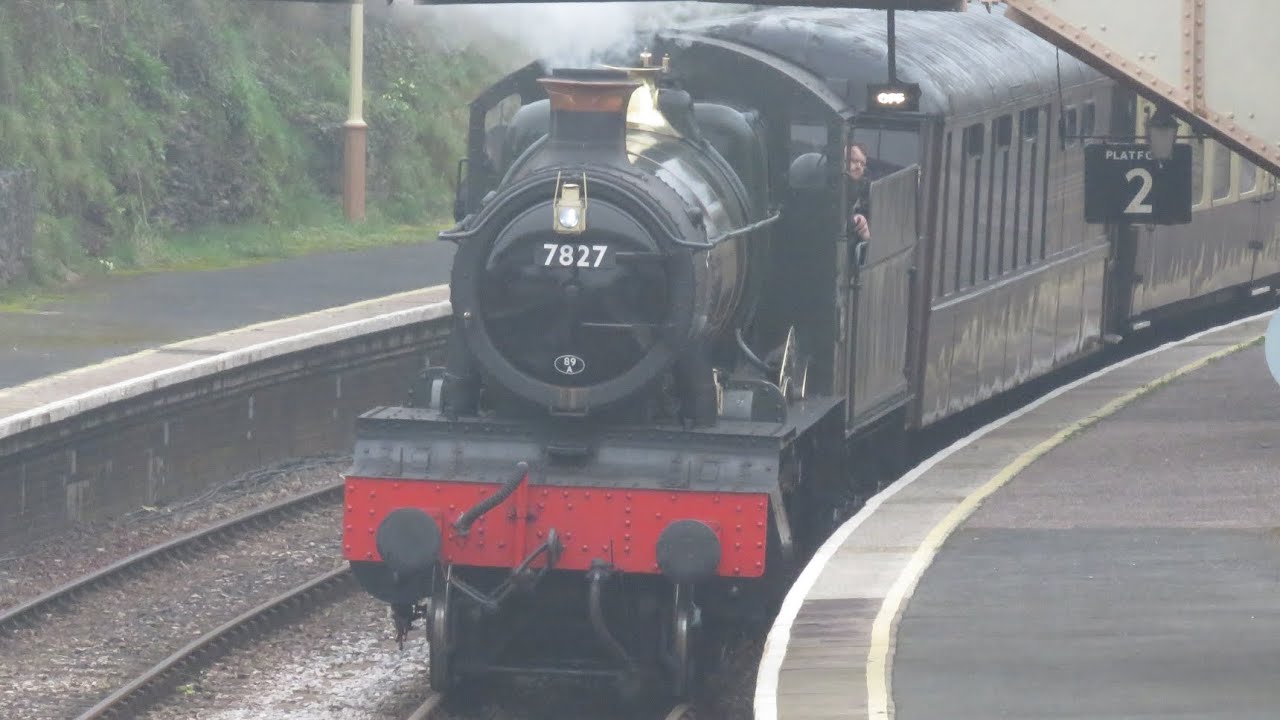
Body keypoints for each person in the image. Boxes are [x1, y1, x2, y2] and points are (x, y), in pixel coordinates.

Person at [846, 142, 872, 243]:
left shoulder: (869, 191)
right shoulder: (829, 189)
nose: (859, 166)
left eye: (862, 164)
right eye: (854, 161)